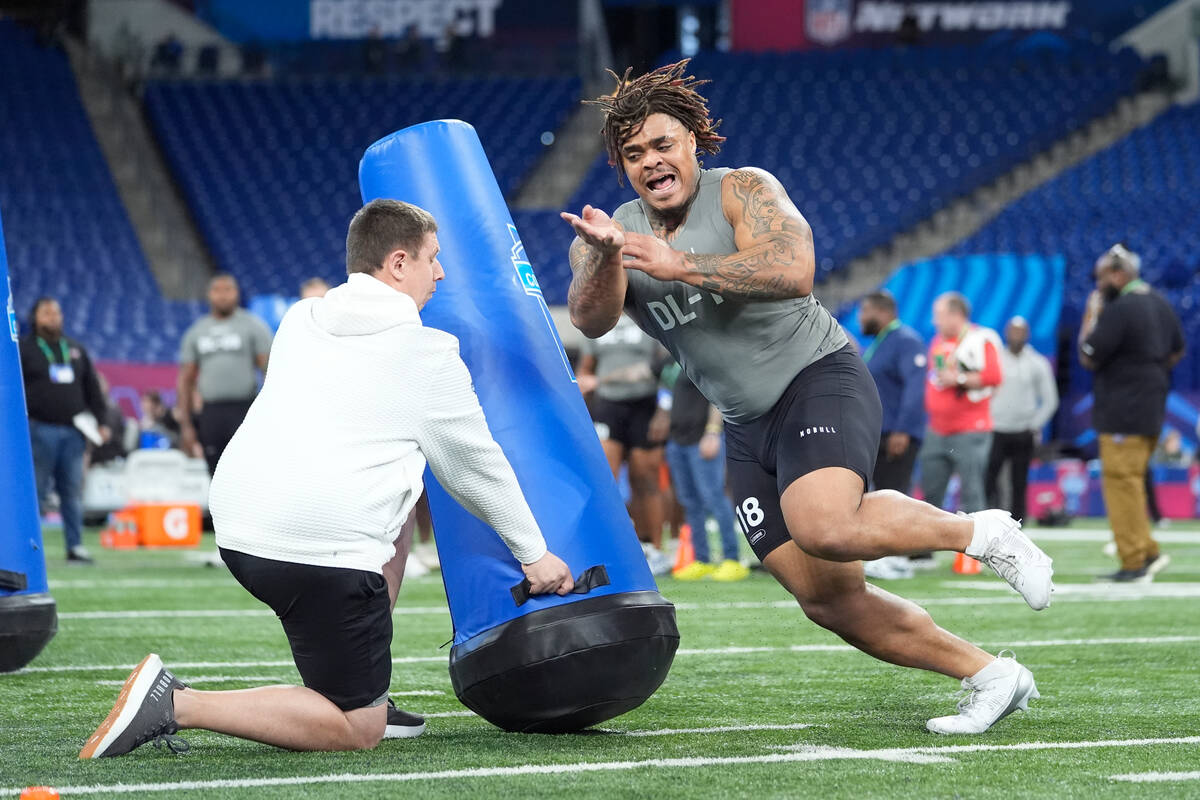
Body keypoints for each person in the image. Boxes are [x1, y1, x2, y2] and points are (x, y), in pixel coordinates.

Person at [561, 60, 1052, 735]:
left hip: (817, 377)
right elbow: (588, 319)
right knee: (826, 597)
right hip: (743, 423)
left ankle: (985, 533)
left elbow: (795, 270)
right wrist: (606, 255)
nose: (651, 161)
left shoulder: (742, 188)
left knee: (826, 525)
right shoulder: (614, 230)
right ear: (622, 165)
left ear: (693, 144)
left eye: (663, 144)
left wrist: (684, 265)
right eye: (635, 153)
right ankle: (991, 675)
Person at [81, 199, 574, 759]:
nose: (440, 273)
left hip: (239, 527)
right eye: (432, 259)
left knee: (401, 487)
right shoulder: (429, 353)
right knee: (355, 728)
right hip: (316, 554)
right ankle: (177, 703)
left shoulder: (300, 317)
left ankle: (366, 681)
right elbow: (476, 470)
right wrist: (535, 556)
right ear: (396, 263)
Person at [1079, 243, 1184, 582]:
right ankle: (1147, 550)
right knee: (1134, 481)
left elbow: (1088, 355)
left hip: (1122, 410)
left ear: (1119, 274)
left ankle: (1133, 561)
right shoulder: (1160, 303)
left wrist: (1092, 314)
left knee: (1121, 483)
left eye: (1101, 278)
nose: (1098, 285)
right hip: (1151, 407)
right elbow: (1177, 351)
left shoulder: (1120, 308)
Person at [576, 314, 672, 575]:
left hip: (646, 404)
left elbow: (669, 366)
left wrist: (664, 410)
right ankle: (609, 548)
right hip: (608, 406)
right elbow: (586, 369)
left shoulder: (648, 315)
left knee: (646, 478)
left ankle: (655, 550)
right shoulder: (596, 317)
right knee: (606, 479)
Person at [19, 297, 110, 563]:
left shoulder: (75, 349)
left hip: (74, 432)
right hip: (39, 430)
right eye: (46, 313)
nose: (53, 317)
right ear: (35, 317)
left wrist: (101, 421)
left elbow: (92, 389)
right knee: (35, 491)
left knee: (71, 491)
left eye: (57, 312)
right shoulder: (25, 350)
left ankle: (75, 546)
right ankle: (29, 548)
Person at [857, 289, 928, 578]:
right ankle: (885, 554)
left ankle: (897, 558)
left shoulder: (906, 341)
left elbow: (915, 389)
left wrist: (903, 430)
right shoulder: (883, 342)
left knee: (894, 496)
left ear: (882, 312)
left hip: (896, 435)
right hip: (878, 434)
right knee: (880, 496)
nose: (861, 318)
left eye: (865, 312)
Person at [177, 274, 273, 475]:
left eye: (228, 290)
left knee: (249, 471)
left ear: (237, 293)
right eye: (217, 290)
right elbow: (185, 381)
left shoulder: (252, 326)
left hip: (245, 410)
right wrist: (186, 426)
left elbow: (270, 371)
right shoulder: (197, 331)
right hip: (211, 413)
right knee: (215, 472)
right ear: (209, 294)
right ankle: (217, 508)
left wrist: (270, 411)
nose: (223, 296)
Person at [919, 292, 1002, 515]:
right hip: (936, 428)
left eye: (939, 315)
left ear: (957, 315)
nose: (934, 321)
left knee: (972, 495)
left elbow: (994, 377)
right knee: (929, 494)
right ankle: (923, 550)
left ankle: (973, 551)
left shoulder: (980, 339)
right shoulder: (938, 341)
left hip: (969, 429)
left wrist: (959, 379)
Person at [665, 370, 748, 581]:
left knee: (714, 497)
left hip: (702, 438)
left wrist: (713, 431)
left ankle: (733, 559)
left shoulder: (696, 353)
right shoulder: (670, 361)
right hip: (678, 439)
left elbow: (719, 393)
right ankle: (701, 559)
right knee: (690, 502)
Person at [987, 317, 1058, 523]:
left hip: (1023, 431)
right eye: (1013, 332)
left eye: (1020, 332)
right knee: (989, 479)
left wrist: (1034, 424)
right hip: (996, 428)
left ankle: (1018, 523)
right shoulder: (996, 360)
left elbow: (1050, 400)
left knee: (1020, 480)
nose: (1016, 336)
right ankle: (988, 521)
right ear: (1006, 333)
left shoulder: (1037, 362)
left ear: (1027, 335)